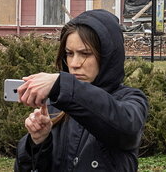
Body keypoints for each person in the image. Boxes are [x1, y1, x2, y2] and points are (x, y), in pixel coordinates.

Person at [14, 9, 148, 171]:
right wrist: (38, 143)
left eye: (85, 53)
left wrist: (62, 85)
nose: (74, 63)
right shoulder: (55, 107)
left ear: (107, 55)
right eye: (69, 54)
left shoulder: (130, 100)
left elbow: (125, 128)